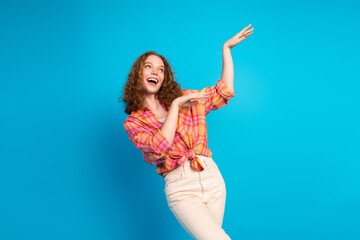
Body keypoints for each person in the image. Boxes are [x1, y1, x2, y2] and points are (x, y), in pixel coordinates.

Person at [121, 24, 254, 240]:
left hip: (211, 177)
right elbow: (159, 147)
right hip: (181, 187)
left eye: (161, 69)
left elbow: (222, 94)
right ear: (138, 74)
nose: (155, 71)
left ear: (164, 77)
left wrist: (226, 50)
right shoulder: (134, 122)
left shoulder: (186, 96)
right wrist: (175, 106)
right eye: (149, 67)